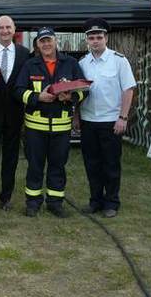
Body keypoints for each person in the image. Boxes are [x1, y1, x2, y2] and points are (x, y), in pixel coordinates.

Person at [15, 27, 86, 218]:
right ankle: (33, 202)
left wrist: (70, 96)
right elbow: (19, 90)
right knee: (35, 166)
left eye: (49, 40)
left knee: (58, 166)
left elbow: (84, 89)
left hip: (61, 127)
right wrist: (38, 97)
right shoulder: (30, 65)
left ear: (56, 42)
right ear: (37, 44)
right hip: (35, 127)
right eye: (42, 41)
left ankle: (55, 203)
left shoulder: (70, 63)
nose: (46, 44)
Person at [77, 18, 136, 218]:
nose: (95, 41)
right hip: (88, 121)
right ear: (87, 40)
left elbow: (128, 90)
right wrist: (77, 117)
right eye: (91, 37)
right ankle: (95, 201)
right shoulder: (83, 63)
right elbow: (79, 92)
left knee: (110, 164)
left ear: (106, 38)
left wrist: (123, 117)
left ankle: (111, 202)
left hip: (111, 121)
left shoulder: (119, 60)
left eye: (99, 37)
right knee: (91, 164)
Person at [0, 16, 30, 211]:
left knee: (10, 158)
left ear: (14, 29)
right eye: (0, 28)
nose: (4, 31)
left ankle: (6, 196)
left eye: (8, 27)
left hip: (14, 114)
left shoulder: (24, 53)